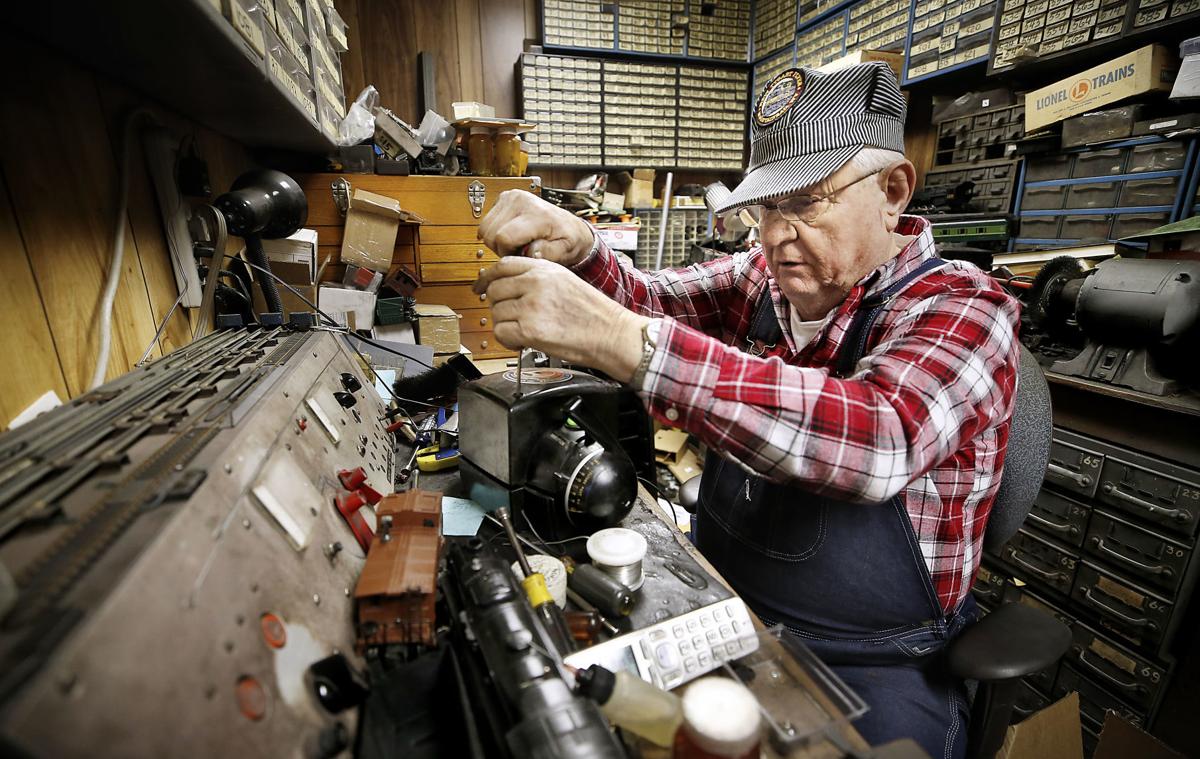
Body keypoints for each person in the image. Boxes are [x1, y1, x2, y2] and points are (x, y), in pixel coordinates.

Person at [473, 62, 1020, 759]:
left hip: (875, 660)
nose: (773, 236)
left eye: (807, 203)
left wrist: (618, 340)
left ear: (892, 189)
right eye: (765, 208)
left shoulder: (966, 310)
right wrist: (585, 249)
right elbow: (649, 301)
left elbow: (877, 436)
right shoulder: (763, 281)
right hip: (723, 607)